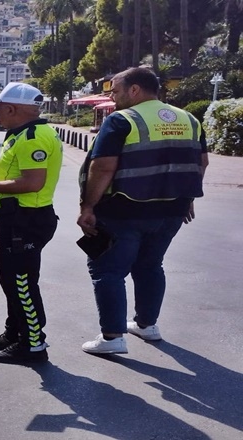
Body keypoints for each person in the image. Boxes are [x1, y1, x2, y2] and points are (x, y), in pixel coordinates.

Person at [77, 67, 208, 355]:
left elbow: (103, 166)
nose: (112, 96)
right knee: (150, 265)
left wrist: (88, 206)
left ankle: (112, 337)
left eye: (115, 90)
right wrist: (187, 198)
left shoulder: (121, 120)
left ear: (134, 90)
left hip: (125, 210)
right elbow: (201, 163)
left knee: (108, 270)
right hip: (172, 210)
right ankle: (147, 325)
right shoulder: (189, 119)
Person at [0, 82, 63, 364]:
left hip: (25, 220)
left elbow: (32, 182)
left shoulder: (32, 137)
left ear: (12, 108)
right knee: (11, 280)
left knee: (22, 283)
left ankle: (33, 344)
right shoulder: (23, 134)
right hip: (15, 219)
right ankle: (16, 331)